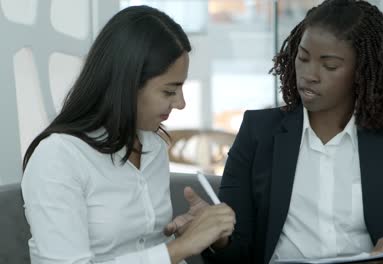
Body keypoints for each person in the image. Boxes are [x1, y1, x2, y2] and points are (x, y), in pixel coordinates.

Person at [201, 0, 383, 263]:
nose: (309, 74)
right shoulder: (258, 132)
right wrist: (217, 237)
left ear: (362, 72)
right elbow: (235, 252)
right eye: (302, 58)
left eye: (330, 66)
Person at [21, 5, 235, 264]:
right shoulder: (58, 157)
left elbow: (148, 246)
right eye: (169, 91)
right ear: (127, 84)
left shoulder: (152, 148)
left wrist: (199, 232)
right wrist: (181, 248)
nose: (181, 104)